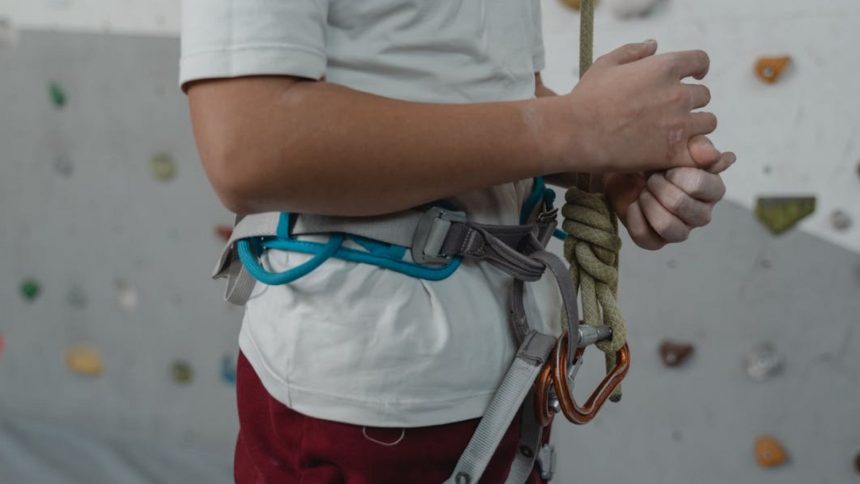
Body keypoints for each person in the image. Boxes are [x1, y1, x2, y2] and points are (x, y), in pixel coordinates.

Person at [180, 0, 735, 482]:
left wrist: (611, 165)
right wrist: (582, 129)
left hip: (512, 368)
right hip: (369, 395)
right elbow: (249, 146)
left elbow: (493, 89)